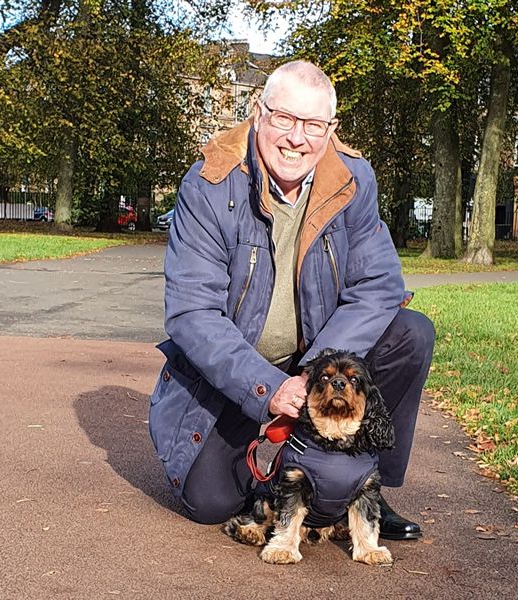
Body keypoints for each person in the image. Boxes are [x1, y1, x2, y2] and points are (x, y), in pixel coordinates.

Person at [149, 60, 435, 540]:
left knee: (411, 333)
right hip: (235, 372)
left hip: (313, 360)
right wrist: (269, 389)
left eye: (312, 125)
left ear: (331, 129)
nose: (296, 139)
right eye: (284, 119)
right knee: (212, 502)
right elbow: (191, 312)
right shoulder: (209, 184)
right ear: (259, 111)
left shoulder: (353, 179)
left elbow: (379, 286)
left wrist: (314, 372)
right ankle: (281, 477)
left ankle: (363, 485)